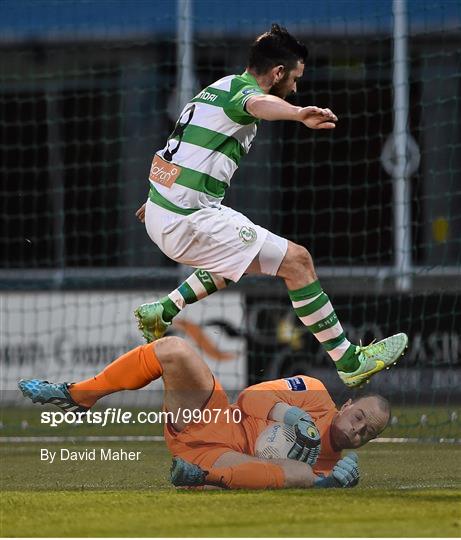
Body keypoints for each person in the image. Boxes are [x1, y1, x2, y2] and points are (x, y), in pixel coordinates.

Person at [134, 23, 408, 389]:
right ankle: (349, 360)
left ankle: (163, 310)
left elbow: (183, 147)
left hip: (164, 208)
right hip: (185, 219)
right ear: (278, 73)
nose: (295, 87)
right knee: (297, 261)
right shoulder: (245, 95)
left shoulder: (215, 88)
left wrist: (157, 198)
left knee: (243, 256)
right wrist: (297, 113)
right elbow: (259, 103)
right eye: (294, 78)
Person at [18, 336, 390, 490]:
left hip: (215, 459)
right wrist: (288, 416)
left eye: (367, 435)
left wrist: (332, 484)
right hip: (213, 417)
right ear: (347, 405)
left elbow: (311, 480)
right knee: (175, 348)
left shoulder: (331, 468)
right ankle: (82, 394)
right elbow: (247, 399)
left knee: (301, 473)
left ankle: (202, 477)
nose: (357, 433)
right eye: (359, 418)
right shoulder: (313, 392)